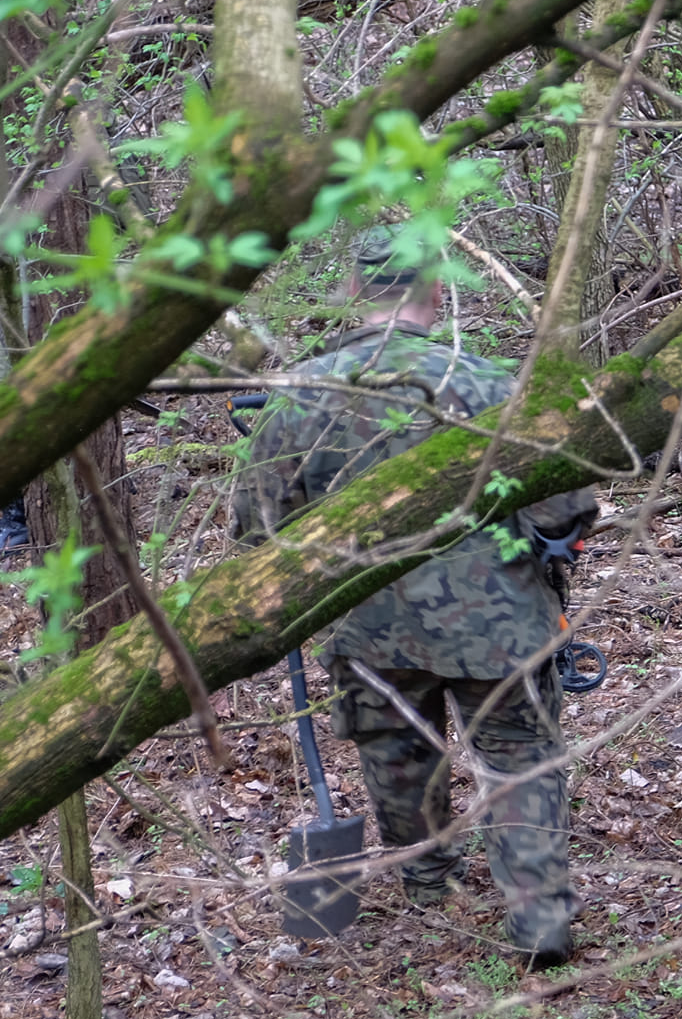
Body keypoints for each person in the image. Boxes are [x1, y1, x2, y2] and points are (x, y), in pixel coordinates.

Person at [232, 226, 595, 968]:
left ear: (354, 292)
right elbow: (568, 507)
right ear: (436, 290)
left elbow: (258, 530)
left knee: (398, 755)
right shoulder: (491, 385)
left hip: (369, 625)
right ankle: (539, 920)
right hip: (499, 623)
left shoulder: (303, 395)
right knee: (521, 759)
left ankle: (430, 883)